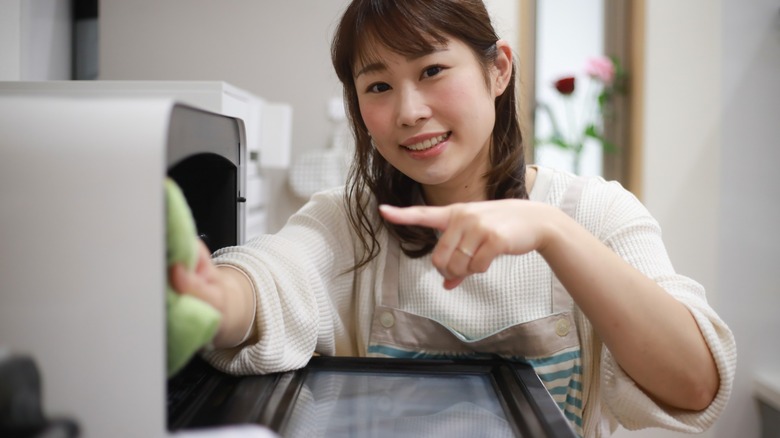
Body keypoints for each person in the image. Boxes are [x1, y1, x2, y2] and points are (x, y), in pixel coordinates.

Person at [170, 0, 736, 436]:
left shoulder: (595, 212)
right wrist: (214, 294)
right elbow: (274, 276)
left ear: (499, 70)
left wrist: (553, 232)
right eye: (379, 86)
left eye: (433, 69)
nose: (410, 111)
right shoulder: (349, 223)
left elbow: (695, 385)